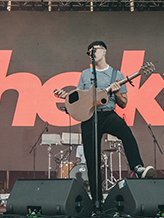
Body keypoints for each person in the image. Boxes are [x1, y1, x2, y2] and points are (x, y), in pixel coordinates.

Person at [55, 40, 154, 204]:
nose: (92, 53)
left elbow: (124, 103)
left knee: (125, 132)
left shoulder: (117, 75)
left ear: (104, 51)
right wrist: (66, 97)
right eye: (89, 51)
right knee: (92, 159)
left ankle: (137, 167)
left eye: (95, 49)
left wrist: (117, 92)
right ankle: (97, 201)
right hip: (89, 117)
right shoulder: (85, 74)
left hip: (107, 114)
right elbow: (80, 99)